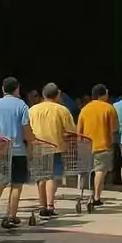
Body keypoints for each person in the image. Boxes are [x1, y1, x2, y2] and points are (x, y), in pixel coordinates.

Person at [0, 77, 34, 229]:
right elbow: (26, 128)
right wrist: (31, 142)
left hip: (1, 150)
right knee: (16, 185)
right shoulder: (22, 105)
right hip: (18, 150)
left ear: (3, 89)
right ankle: (11, 216)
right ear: (17, 89)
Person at [29, 83, 76, 219]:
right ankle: (50, 205)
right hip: (55, 147)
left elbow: (27, 129)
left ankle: (42, 205)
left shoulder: (33, 110)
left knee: (41, 177)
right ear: (58, 95)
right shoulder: (62, 110)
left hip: (38, 147)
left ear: (43, 94)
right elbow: (71, 131)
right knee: (52, 176)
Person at [76, 84, 118, 207]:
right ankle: (96, 197)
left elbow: (79, 130)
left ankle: (84, 194)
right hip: (103, 145)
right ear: (103, 94)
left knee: (88, 171)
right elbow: (114, 128)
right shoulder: (109, 108)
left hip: (86, 146)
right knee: (100, 171)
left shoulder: (84, 109)